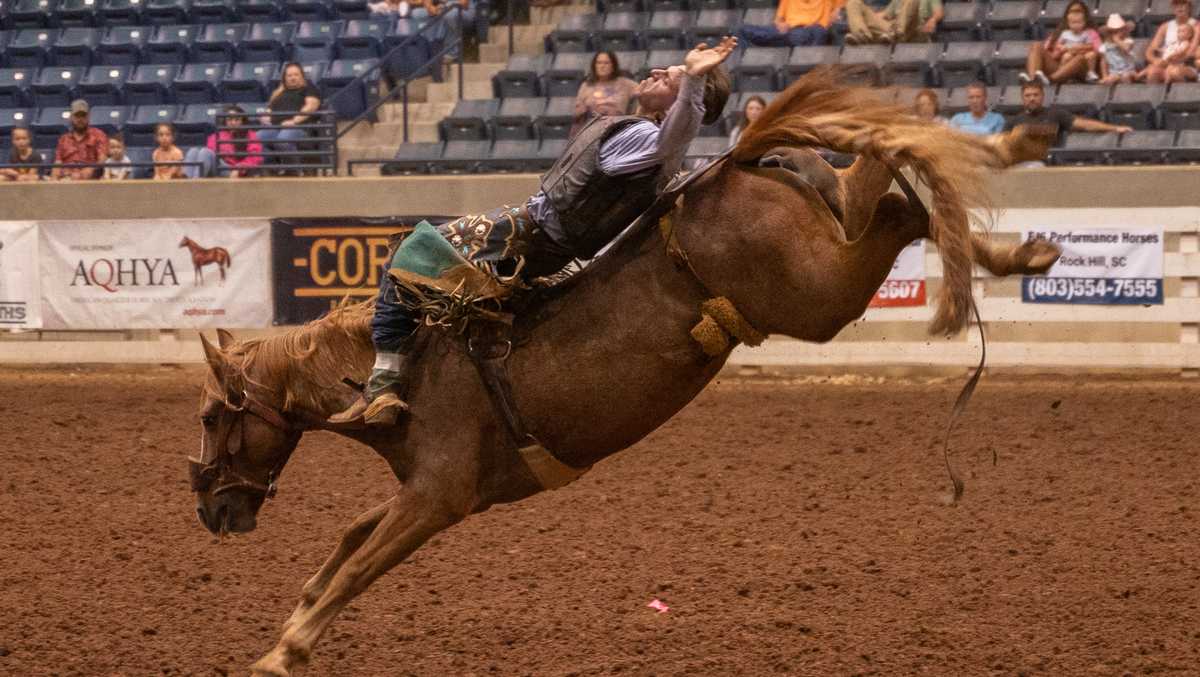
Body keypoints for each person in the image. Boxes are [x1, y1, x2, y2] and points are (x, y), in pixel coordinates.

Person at [331, 37, 737, 426]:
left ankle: (382, 386)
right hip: (549, 242)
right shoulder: (645, 139)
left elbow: (672, 140)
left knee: (410, 254)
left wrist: (694, 82)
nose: (656, 72)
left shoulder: (648, 139)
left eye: (669, 79)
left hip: (529, 232)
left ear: (679, 105)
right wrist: (688, 84)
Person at [1004, 80, 1132, 147]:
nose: (1032, 98)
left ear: (1042, 96)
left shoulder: (1055, 114)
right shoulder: (1014, 121)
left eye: (1035, 95)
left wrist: (1114, 128)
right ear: (1022, 98)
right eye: (1028, 96)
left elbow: (1085, 125)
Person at [259, 63, 322, 173]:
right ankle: (275, 168)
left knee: (283, 140)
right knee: (255, 140)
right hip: (275, 127)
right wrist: (266, 117)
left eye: (296, 75)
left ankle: (295, 171)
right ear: (284, 78)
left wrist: (294, 121)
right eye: (289, 75)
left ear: (302, 76)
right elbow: (269, 109)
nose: (293, 78)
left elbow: (311, 106)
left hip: (299, 128)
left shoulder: (308, 88)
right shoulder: (278, 92)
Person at [1022, 1, 1102, 85]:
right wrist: (1060, 51)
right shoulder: (1060, 33)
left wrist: (1076, 49)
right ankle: (1032, 81)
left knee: (1079, 58)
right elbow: (1049, 52)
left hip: (1082, 69)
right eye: (1072, 11)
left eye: (1078, 11)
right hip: (1060, 65)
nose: (1075, 15)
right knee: (1036, 46)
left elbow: (1100, 51)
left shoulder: (1091, 32)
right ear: (1067, 16)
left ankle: (1050, 80)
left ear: (1085, 16)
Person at [570, 51, 639, 138]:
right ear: (594, 66)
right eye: (599, 63)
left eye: (606, 63)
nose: (602, 66)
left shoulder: (626, 84)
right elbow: (577, 114)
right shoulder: (586, 85)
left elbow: (644, 94)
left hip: (618, 132)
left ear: (613, 65)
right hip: (592, 133)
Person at [184, 104, 264, 179]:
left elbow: (255, 157)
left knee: (205, 152)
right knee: (193, 151)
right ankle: (187, 182)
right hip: (218, 167)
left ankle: (194, 184)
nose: (233, 123)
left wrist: (239, 168)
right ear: (225, 121)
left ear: (242, 121)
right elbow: (211, 152)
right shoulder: (218, 134)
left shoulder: (250, 134)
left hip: (234, 171)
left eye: (237, 120)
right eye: (230, 120)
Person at [739, 0, 839, 47]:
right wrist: (780, 24)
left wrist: (836, 12)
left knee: (801, 35)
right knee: (741, 30)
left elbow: (839, 8)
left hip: (808, 31)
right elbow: (779, 19)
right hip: (785, 31)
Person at [52, 99, 108, 181]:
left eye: (83, 116)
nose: (80, 119)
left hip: (90, 181)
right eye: (77, 116)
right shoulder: (63, 139)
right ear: (71, 117)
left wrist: (91, 169)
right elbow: (58, 162)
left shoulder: (98, 135)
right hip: (66, 180)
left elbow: (102, 159)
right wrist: (53, 179)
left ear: (88, 117)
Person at [843, 0, 944, 45]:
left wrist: (933, 20)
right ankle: (861, 34)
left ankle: (895, 32)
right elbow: (884, 15)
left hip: (914, 30)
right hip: (891, 31)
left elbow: (939, 12)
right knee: (853, 2)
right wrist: (867, 18)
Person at [1145, 0, 1199, 83]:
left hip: (1186, 64)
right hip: (1166, 63)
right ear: (1172, 8)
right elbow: (1150, 51)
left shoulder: (1196, 25)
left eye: (1183, 4)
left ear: (1189, 7)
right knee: (1152, 73)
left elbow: (1191, 51)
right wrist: (1155, 60)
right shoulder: (1165, 26)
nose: (1180, 7)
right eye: (1176, 4)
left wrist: (1172, 60)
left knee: (1174, 72)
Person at [1099, 14, 1146, 84]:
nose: (1117, 34)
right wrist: (1104, 76)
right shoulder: (1105, 46)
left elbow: (1126, 49)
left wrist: (1117, 41)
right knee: (1111, 79)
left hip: (1128, 70)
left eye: (1120, 31)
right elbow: (1104, 62)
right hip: (1114, 72)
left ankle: (1128, 92)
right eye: (1114, 32)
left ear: (1125, 31)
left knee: (1125, 77)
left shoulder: (1128, 41)